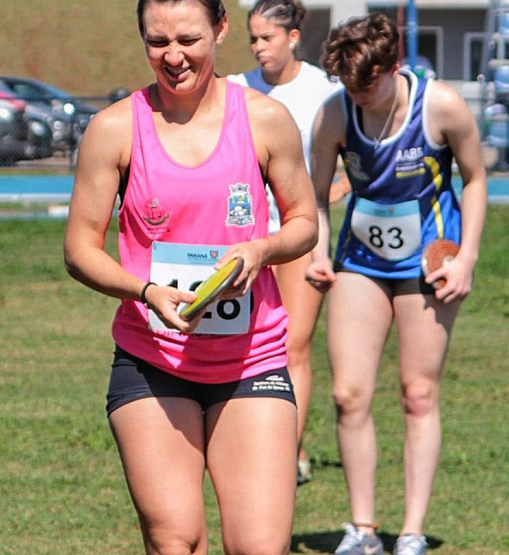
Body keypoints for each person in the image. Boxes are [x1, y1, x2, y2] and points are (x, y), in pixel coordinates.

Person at [63, 0, 318, 553]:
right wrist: (145, 291)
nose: (173, 56)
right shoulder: (113, 130)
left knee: (258, 547)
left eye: (188, 39)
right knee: (175, 540)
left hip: (251, 360)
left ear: (221, 29)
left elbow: (304, 223)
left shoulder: (263, 118)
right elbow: (80, 249)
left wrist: (262, 248)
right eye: (158, 42)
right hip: (153, 362)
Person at [304, 13, 487, 555]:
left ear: (392, 67)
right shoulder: (336, 112)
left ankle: (410, 532)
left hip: (428, 264)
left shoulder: (442, 106)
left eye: (366, 86)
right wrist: (317, 249)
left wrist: (467, 259)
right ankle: (362, 530)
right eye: (348, 88)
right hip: (361, 261)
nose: (357, 97)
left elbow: (475, 180)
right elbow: (315, 195)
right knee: (348, 394)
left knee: (418, 393)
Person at [227, 0, 343, 486]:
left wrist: (333, 191)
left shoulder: (323, 92)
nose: (257, 48)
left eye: (266, 38)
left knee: (293, 348)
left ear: (293, 38)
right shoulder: (233, 90)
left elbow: (349, 157)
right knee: (243, 347)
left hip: (297, 239)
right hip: (243, 239)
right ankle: (242, 440)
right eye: (252, 39)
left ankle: (288, 453)